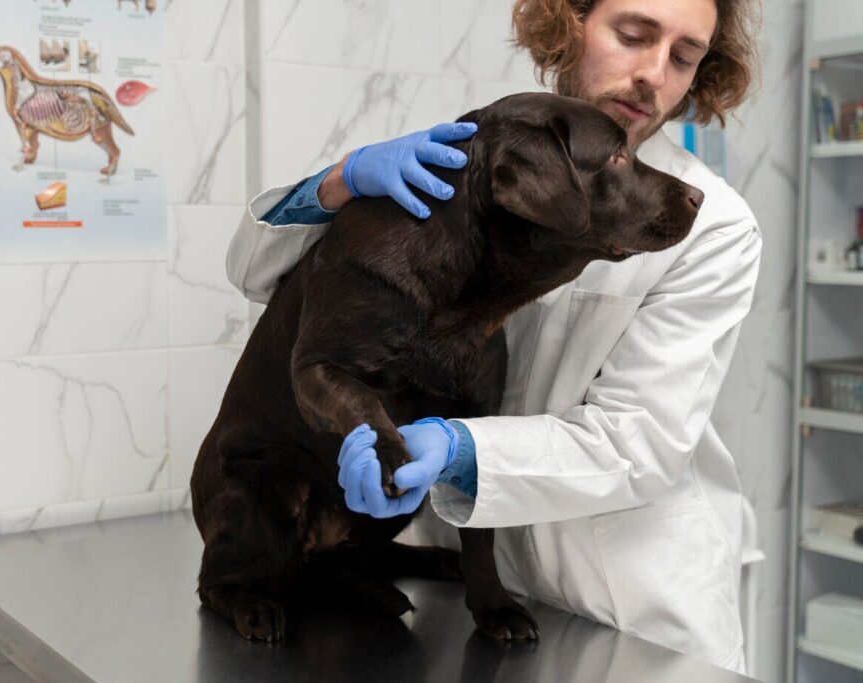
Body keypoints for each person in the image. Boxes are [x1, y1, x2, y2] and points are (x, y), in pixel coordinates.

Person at [225, 0, 762, 673]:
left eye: (684, 57)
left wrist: (455, 447)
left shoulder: (711, 227)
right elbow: (253, 272)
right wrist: (337, 184)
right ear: (569, 23)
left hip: (627, 605)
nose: (653, 73)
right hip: (478, 592)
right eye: (632, 35)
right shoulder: (480, 153)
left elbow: (639, 443)